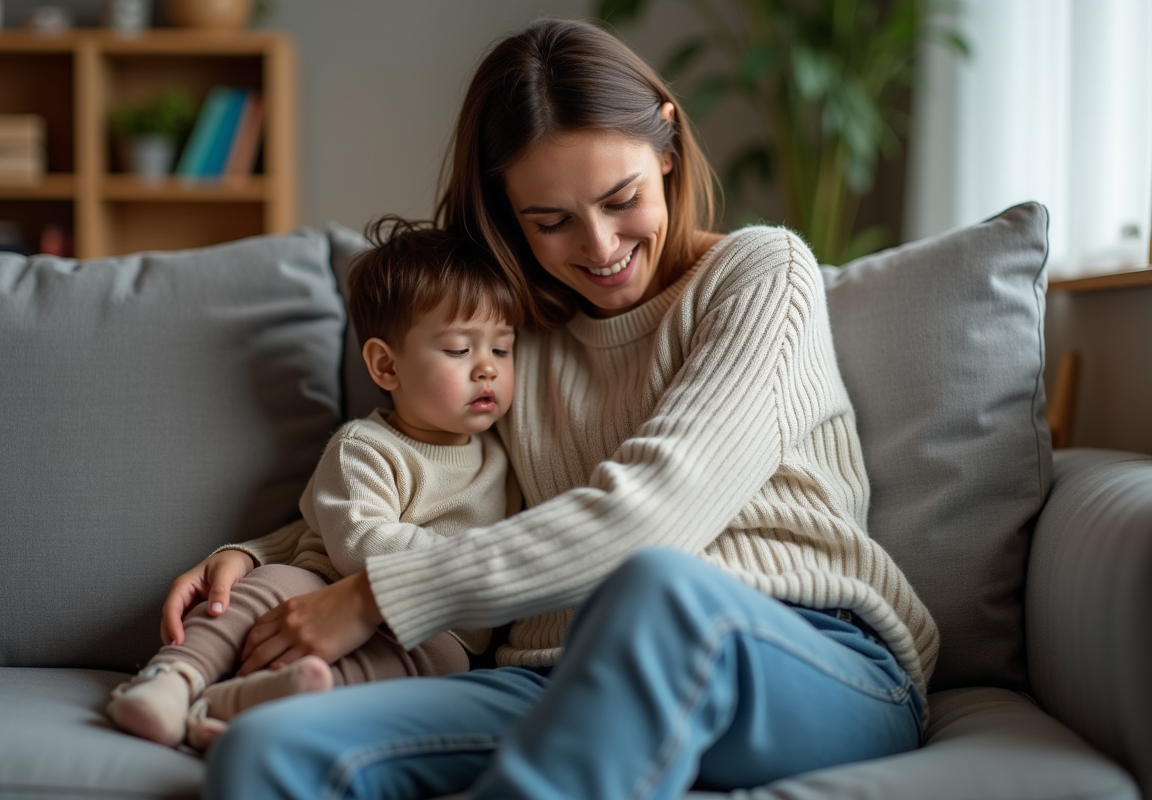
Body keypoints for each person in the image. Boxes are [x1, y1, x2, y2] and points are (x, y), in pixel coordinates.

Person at [190, 18, 940, 799]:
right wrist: (254, 553)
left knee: (656, 588)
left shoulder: (763, 275)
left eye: (622, 199)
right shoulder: (506, 339)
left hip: (810, 655)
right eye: (550, 222)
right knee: (265, 752)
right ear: (506, 212)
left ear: (668, 147)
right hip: (557, 672)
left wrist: (377, 592)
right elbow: (427, 473)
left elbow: (654, 515)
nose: (601, 246)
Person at [108, 219, 522, 751]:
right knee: (271, 587)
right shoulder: (363, 447)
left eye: (503, 349)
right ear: (386, 365)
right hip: (327, 589)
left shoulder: (500, 455)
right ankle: (172, 681)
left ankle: (245, 706)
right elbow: (354, 542)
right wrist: (250, 556)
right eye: (460, 350)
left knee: (443, 660)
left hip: (430, 626)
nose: (487, 370)